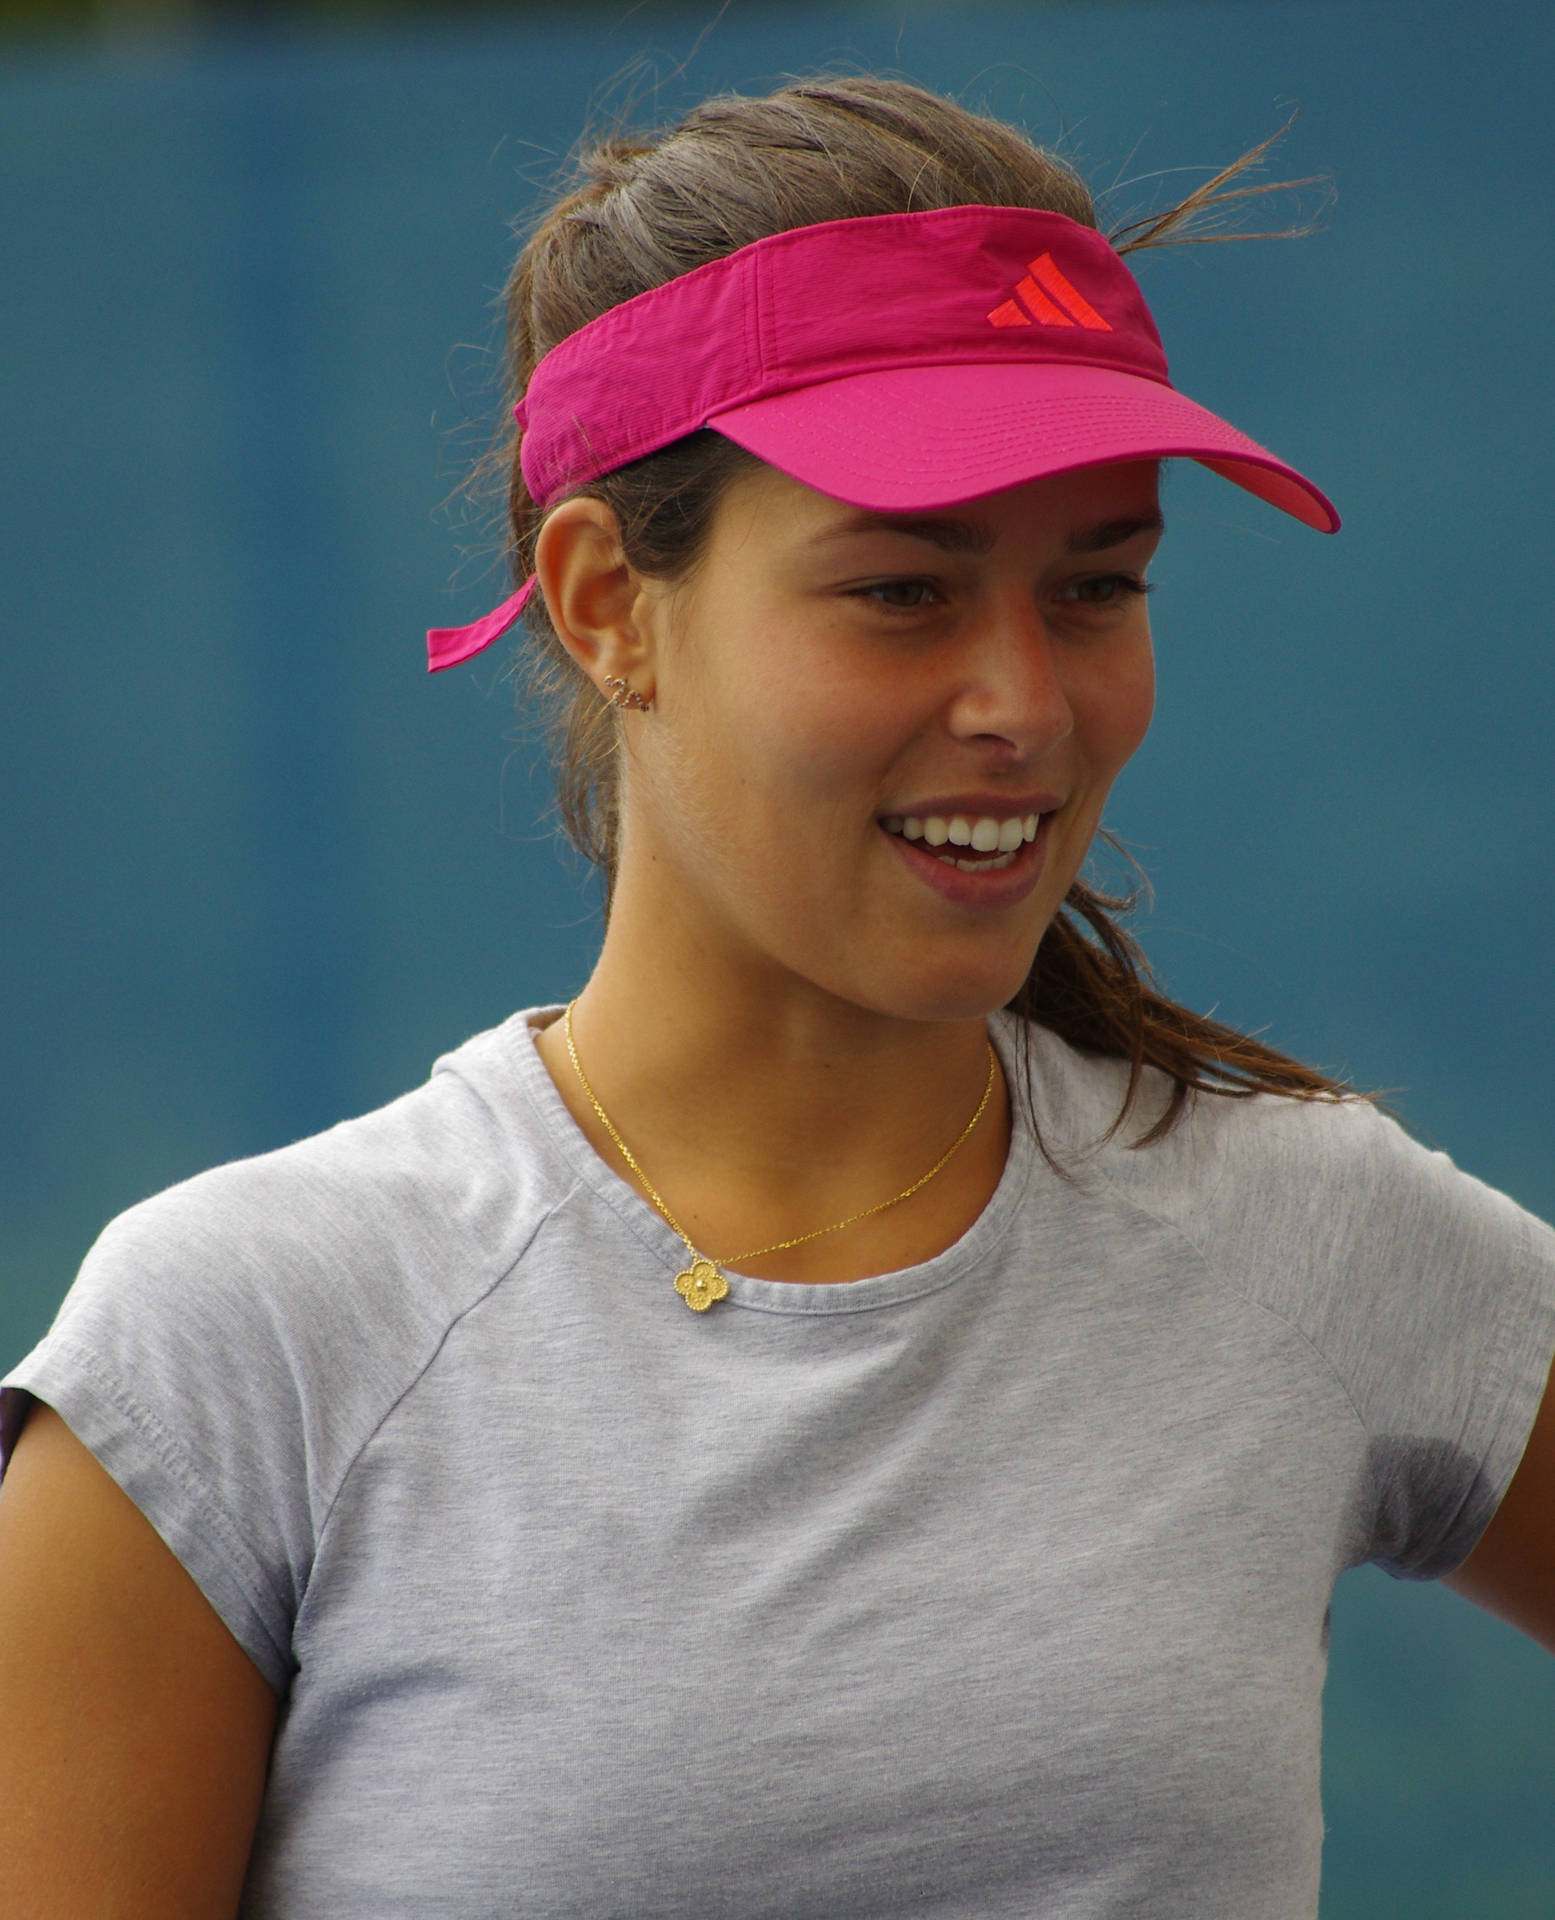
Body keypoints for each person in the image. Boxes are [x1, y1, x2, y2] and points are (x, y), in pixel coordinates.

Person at [1, 73, 1551, 1920]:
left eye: (1098, 584)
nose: (1025, 702)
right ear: (602, 600)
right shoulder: (239, 1340)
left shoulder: (1314, 1233)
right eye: (902, 590)